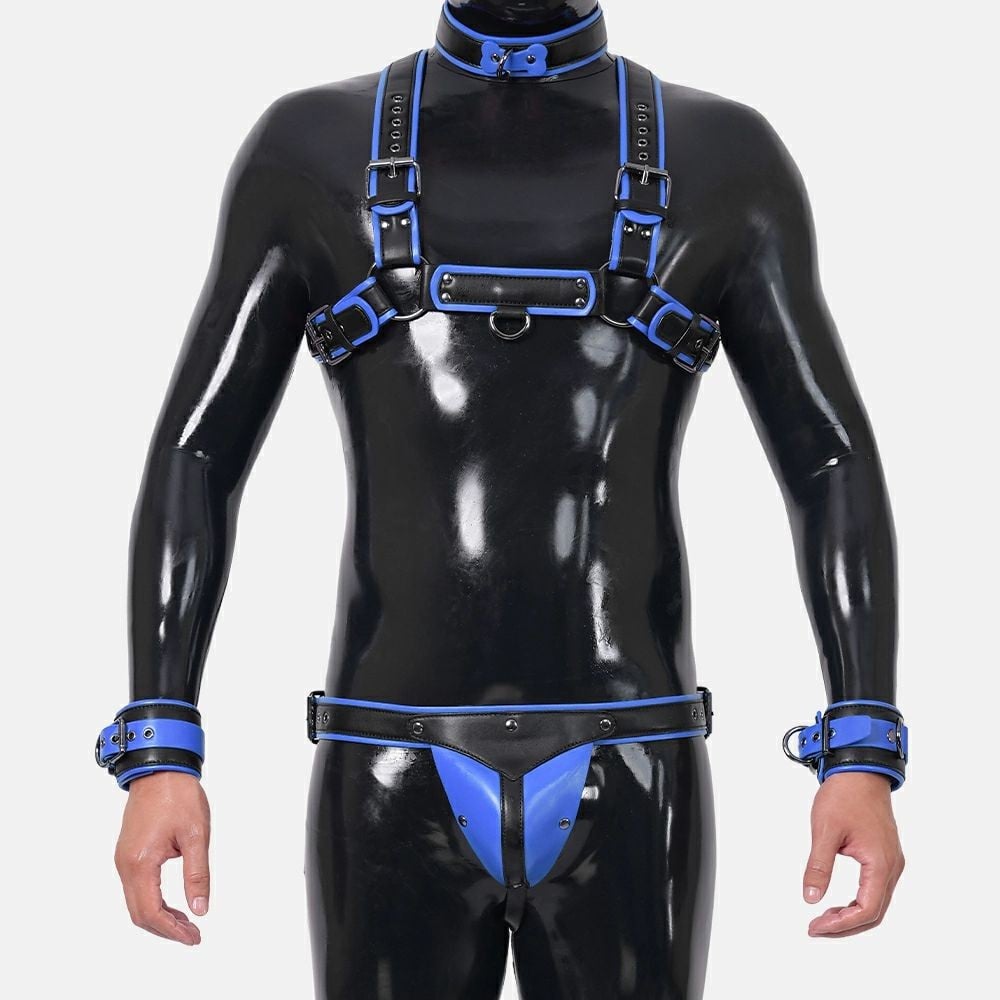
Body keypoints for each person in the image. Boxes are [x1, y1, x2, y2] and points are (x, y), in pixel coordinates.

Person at [97, 2, 906, 997]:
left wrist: (861, 749)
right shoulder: (309, 149)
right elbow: (197, 454)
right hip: (393, 765)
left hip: (628, 763)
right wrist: (159, 750)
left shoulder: (722, 155)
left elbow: (827, 460)